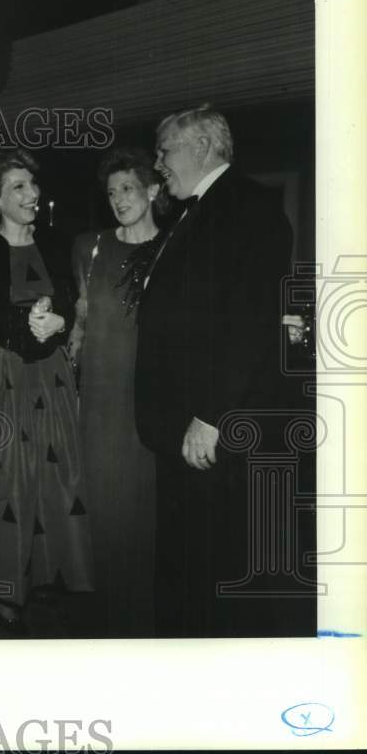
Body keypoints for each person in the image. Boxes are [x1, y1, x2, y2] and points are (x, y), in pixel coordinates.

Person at [136, 105, 294, 637]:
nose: (157, 164)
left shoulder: (248, 207)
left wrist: (211, 414)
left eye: (165, 151)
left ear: (201, 147)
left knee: (218, 571)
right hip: (183, 427)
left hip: (211, 429)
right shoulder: (194, 212)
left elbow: (251, 324)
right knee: (190, 568)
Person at [0, 149, 93, 635]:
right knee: (6, 480)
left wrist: (57, 323)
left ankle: (53, 574)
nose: (31, 194)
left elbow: (71, 301)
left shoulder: (59, 243)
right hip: (2, 375)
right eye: (17, 186)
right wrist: (24, 323)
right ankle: (5, 589)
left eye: (32, 185)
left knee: (59, 473)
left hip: (51, 375)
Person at [68, 147, 167, 637]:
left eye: (127, 188)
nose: (118, 199)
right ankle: (106, 630)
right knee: (100, 520)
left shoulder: (171, 248)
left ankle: (142, 631)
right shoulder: (89, 247)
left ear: (152, 190)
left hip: (145, 405)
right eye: (111, 192)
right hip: (98, 405)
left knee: (144, 524)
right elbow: (81, 326)